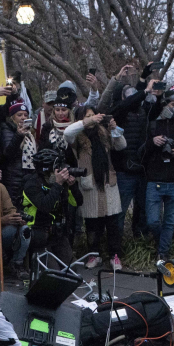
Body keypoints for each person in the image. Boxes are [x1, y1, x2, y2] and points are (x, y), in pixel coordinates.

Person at [64, 106, 126, 269]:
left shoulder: (104, 133)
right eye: (88, 116)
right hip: (89, 184)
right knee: (92, 223)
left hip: (108, 182)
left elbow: (121, 146)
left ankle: (115, 255)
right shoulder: (77, 136)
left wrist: (115, 128)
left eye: (94, 115)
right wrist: (86, 122)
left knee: (113, 222)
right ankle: (94, 254)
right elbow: (67, 133)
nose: (93, 119)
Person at [141, 91, 174, 260]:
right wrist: (152, 142)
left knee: (170, 221)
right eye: (172, 104)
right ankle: (161, 243)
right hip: (154, 180)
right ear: (164, 105)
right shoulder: (152, 125)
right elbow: (141, 153)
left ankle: (162, 253)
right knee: (153, 221)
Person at [109, 72, 158, 238]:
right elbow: (128, 103)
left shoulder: (143, 111)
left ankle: (140, 238)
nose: (133, 97)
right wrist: (143, 91)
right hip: (125, 170)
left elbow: (146, 105)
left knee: (143, 208)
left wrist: (145, 78)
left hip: (142, 169)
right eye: (128, 95)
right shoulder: (119, 113)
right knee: (120, 210)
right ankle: (116, 245)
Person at [23, 148, 83, 265]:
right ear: (46, 169)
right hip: (39, 234)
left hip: (57, 234)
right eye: (57, 168)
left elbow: (78, 202)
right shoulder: (31, 184)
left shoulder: (58, 184)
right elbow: (46, 206)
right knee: (51, 274)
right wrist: (58, 184)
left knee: (71, 270)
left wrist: (72, 186)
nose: (61, 171)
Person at [0, 100, 38, 208]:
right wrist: (18, 135)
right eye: (19, 115)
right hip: (13, 178)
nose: (23, 117)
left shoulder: (30, 133)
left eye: (25, 115)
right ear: (12, 117)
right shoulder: (7, 129)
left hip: (28, 176)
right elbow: (8, 153)